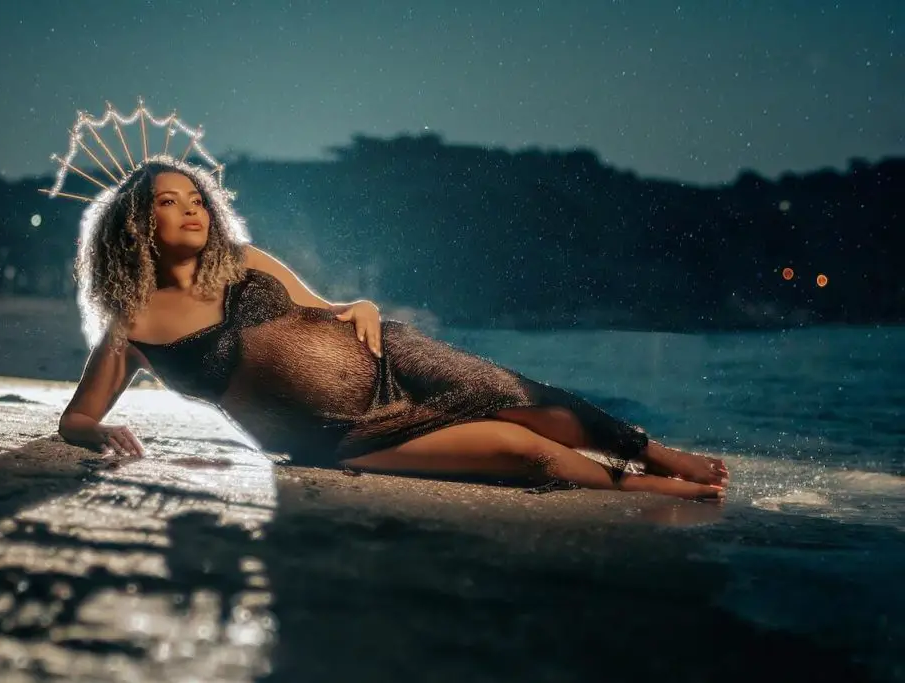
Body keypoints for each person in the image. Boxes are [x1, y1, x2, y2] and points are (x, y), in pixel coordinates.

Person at [58, 155, 729, 502]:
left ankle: (654, 453)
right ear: (139, 225)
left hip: (387, 358)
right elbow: (76, 417)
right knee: (523, 451)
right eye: (168, 203)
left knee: (531, 401)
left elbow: (323, 306)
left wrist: (365, 308)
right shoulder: (131, 327)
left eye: (197, 198)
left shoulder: (248, 262)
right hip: (336, 436)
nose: (191, 210)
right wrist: (100, 432)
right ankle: (653, 488)